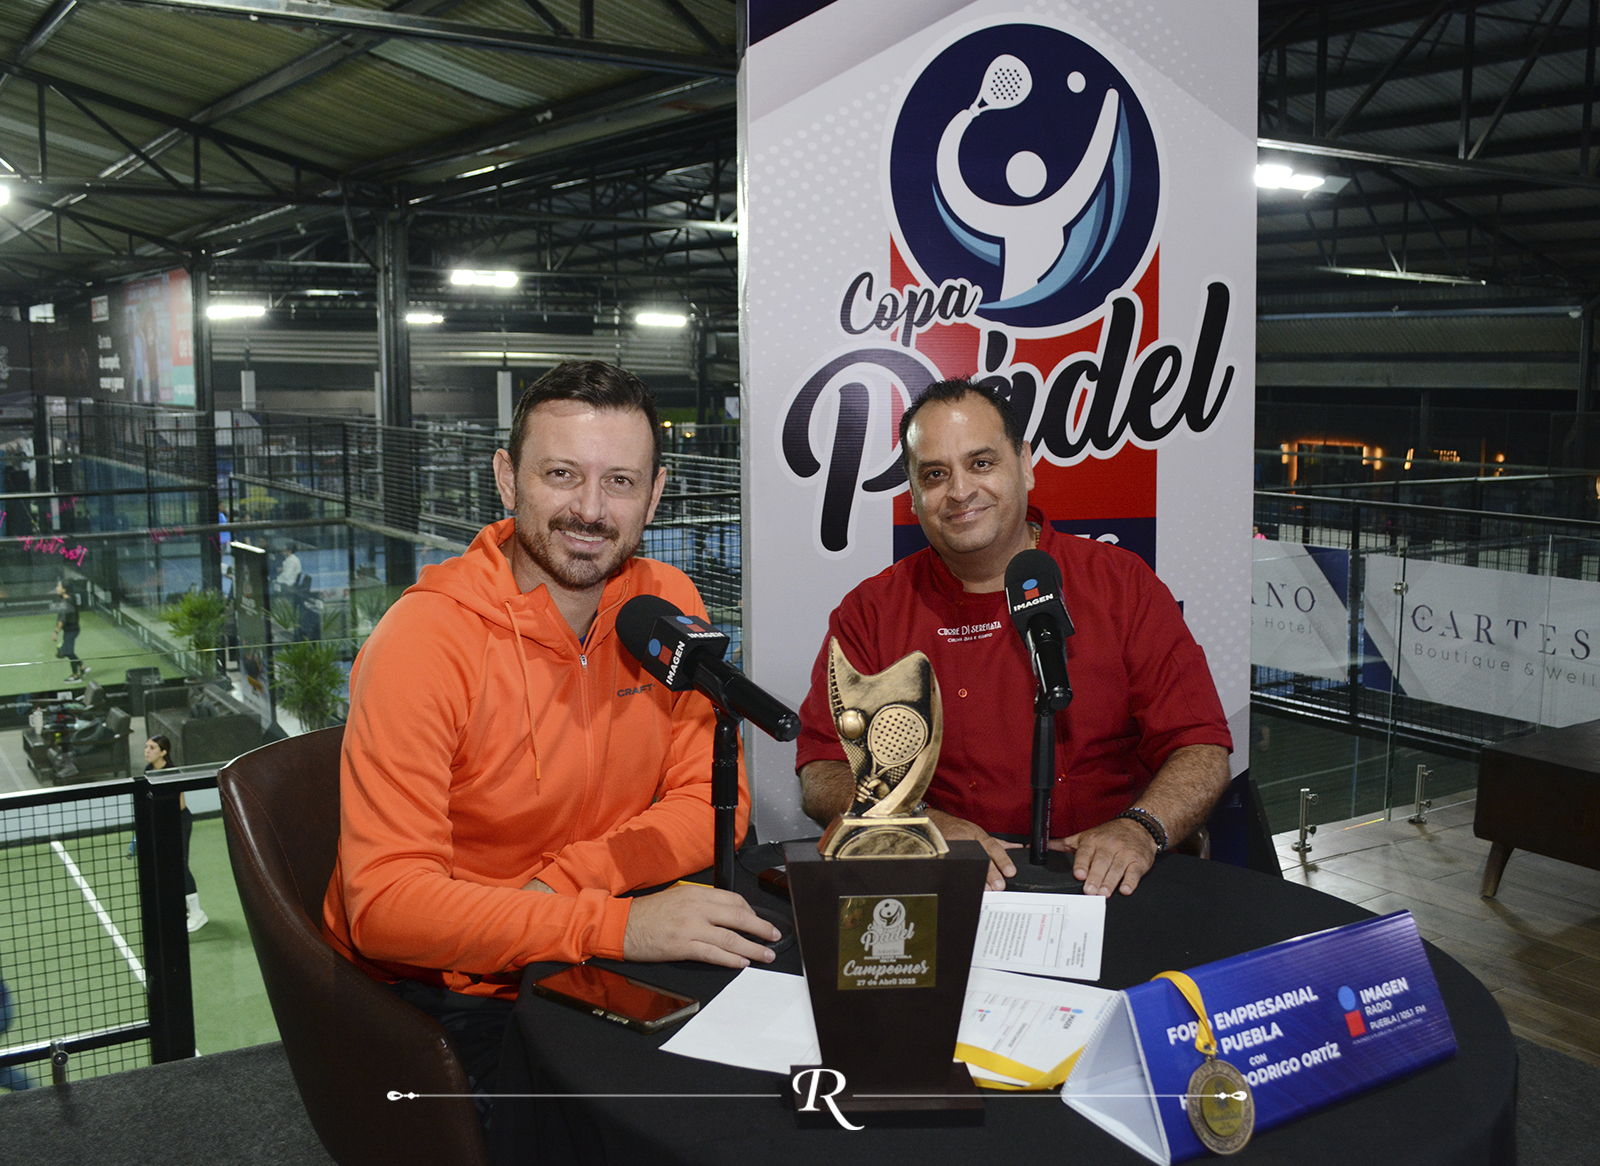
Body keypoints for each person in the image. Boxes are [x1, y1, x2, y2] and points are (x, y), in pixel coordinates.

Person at [322, 361, 778, 1129]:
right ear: (508, 479)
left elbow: (711, 803)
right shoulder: (423, 642)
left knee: (758, 1099)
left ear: (655, 496)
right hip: (447, 991)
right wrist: (612, 924)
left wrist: (574, 886)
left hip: (590, 937)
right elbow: (387, 904)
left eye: (620, 482)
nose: (589, 511)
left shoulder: (667, 604)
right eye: (562, 474)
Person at [796, 377, 1232, 897]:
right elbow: (823, 769)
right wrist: (913, 822)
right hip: (948, 880)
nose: (960, 492)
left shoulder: (1120, 582)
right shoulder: (871, 611)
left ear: (1025, 464)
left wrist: (1140, 827)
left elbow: (1201, 746)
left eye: (981, 463)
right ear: (912, 495)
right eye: (934, 474)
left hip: (1109, 883)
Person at [144, 735, 207, 932]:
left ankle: (197, 914)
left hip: (179, 822)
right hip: (162, 823)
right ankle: (179, 908)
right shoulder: (148, 770)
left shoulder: (172, 772)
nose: (147, 751)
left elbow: (180, 804)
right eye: (146, 747)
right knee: (166, 866)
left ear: (163, 752)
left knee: (180, 866)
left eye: (152, 747)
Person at [52, 580, 84, 683]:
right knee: (69, 652)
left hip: (71, 631)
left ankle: (75, 676)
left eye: (59, 586)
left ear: (64, 590)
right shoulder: (70, 599)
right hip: (73, 630)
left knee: (67, 652)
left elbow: (62, 620)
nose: (57, 588)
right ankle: (82, 667)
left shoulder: (66, 602)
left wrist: (56, 632)